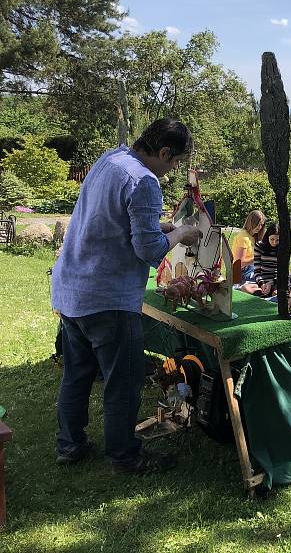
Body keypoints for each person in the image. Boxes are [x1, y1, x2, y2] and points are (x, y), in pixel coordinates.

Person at [52, 118, 202, 472]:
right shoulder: (145, 180)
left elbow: (115, 221)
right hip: (107, 297)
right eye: (176, 162)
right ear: (164, 152)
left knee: (77, 374)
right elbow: (150, 251)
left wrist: (163, 226)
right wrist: (179, 233)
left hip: (73, 290)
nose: (173, 169)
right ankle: (124, 457)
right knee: (124, 381)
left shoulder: (111, 160)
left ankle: (70, 446)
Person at [231, 210, 265, 284]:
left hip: (253, 269)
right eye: (257, 224)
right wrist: (258, 258)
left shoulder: (254, 237)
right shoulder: (243, 237)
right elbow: (240, 264)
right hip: (243, 273)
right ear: (251, 222)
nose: (259, 227)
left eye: (261, 225)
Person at [246, 222, 279, 297]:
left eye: (277, 240)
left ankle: (264, 295)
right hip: (262, 280)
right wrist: (262, 284)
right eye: (272, 239)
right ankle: (264, 293)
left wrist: (271, 283)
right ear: (267, 237)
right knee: (245, 288)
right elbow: (257, 269)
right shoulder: (259, 246)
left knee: (276, 293)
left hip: (276, 281)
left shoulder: (283, 249)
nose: (274, 242)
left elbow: (282, 272)